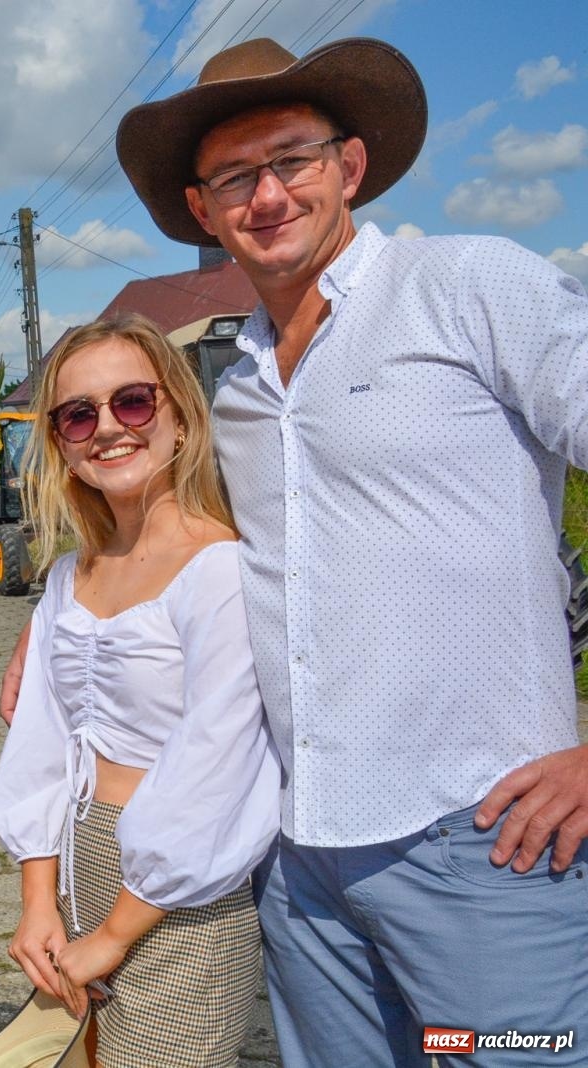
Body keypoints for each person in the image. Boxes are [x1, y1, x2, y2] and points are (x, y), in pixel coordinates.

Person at [112, 36, 588, 1066]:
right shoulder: (230, 388)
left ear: (350, 166)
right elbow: (187, 553)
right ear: (202, 210)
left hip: (486, 840)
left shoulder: (466, 288)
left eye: (292, 158)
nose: (268, 194)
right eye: (235, 176)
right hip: (300, 863)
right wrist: (69, 611)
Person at [0, 315, 279, 1068]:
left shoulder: (216, 570)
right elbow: (42, 744)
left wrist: (113, 936)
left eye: (134, 402)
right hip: (83, 858)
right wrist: (34, 901)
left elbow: (217, 769)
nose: (107, 428)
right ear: (60, 443)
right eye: (79, 414)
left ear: (179, 416)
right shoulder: (69, 576)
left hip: (181, 897)